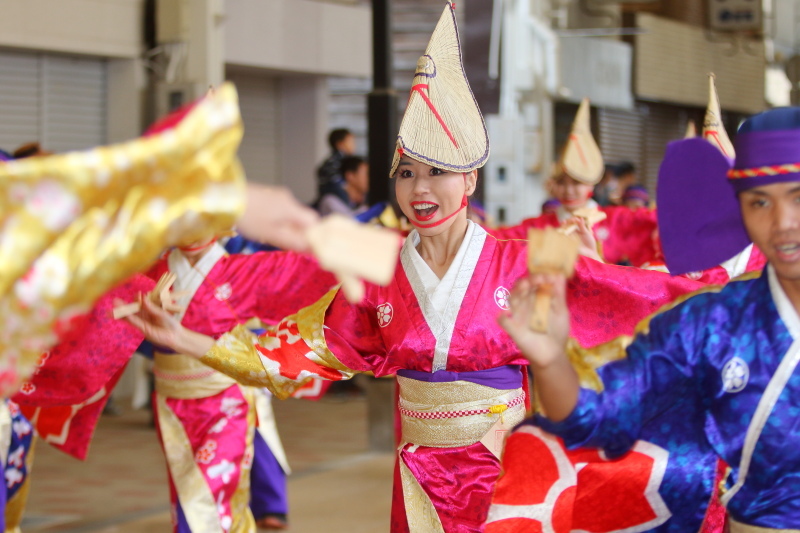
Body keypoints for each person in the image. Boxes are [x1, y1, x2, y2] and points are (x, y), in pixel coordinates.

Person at [123, 4, 714, 531]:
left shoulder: (524, 258)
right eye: (407, 173)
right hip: (417, 482)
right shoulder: (379, 271)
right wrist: (186, 339)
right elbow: (288, 357)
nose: (420, 189)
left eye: (437, 172)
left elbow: (635, 299)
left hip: (507, 472)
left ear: (471, 178)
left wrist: (731, 284)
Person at [498, 107, 800, 531]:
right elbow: (599, 414)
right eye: (760, 201)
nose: (783, 222)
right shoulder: (707, 320)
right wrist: (551, 360)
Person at [142, 235, 335, 532]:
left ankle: (270, 506)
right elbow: (108, 314)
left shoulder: (244, 268)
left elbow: (310, 272)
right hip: (171, 401)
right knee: (185, 487)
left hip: (227, 396)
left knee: (209, 491)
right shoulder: (153, 274)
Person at [489, 101, 660, 268]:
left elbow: (662, 221)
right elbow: (498, 238)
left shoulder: (616, 219)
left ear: (591, 185)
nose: (568, 190)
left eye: (577, 183)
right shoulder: (539, 226)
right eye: (562, 183)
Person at [316, 128, 357, 205]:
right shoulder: (337, 158)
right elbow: (331, 173)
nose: (354, 145)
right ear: (340, 144)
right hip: (332, 188)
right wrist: (345, 186)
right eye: (351, 142)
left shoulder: (342, 159)